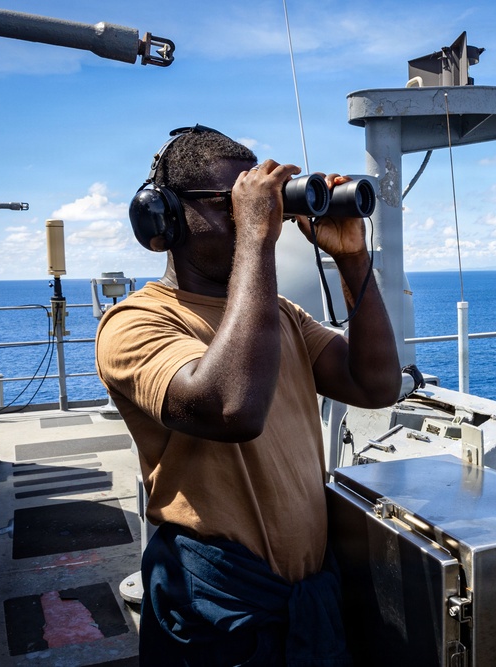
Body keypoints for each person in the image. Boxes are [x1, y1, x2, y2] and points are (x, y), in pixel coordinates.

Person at [95, 126, 402, 666]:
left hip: (307, 597)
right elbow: (231, 407)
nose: (253, 219)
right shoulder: (136, 323)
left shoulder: (281, 316)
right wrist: (257, 236)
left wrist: (353, 260)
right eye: (231, 204)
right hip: (219, 607)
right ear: (165, 217)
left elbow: (376, 385)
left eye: (257, 204)